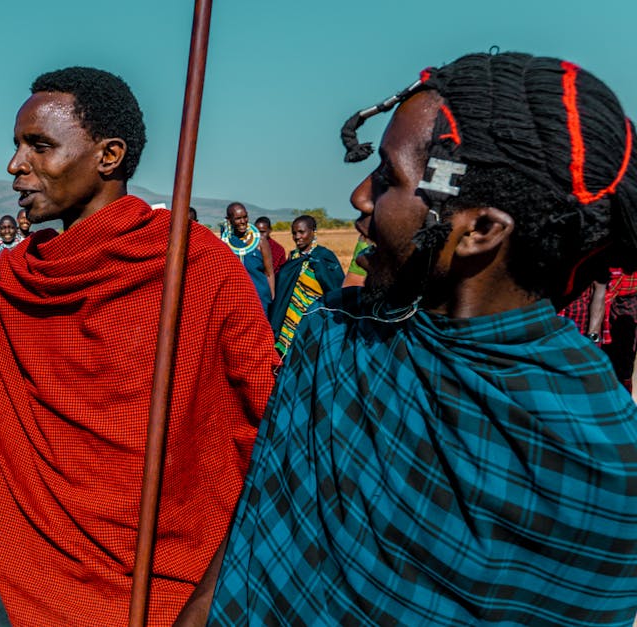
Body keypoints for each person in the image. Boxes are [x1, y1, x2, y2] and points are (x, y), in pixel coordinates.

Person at [179, 52, 637, 626]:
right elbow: (249, 533)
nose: (359, 198)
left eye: (388, 177)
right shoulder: (336, 336)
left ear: (480, 230)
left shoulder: (600, 461)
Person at [0, 66, 278, 626]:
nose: (15, 165)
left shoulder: (194, 267)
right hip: (52, 593)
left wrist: (207, 599)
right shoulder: (15, 283)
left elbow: (268, 427)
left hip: (186, 588)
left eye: (39, 146)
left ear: (109, 156)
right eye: (17, 146)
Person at [267, 215, 343, 356]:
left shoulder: (324, 257)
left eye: (301, 232)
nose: (297, 237)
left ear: (313, 231)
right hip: (290, 320)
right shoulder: (293, 257)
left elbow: (335, 288)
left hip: (315, 319)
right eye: (294, 233)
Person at [221, 202, 275, 313]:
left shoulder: (260, 241)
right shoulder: (225, 243)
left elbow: (269, 273)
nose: (243, 221)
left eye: (245, 217)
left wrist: (271, 297)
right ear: (229, 220)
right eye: (238, 218)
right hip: (235, 298)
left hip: (259, 297)